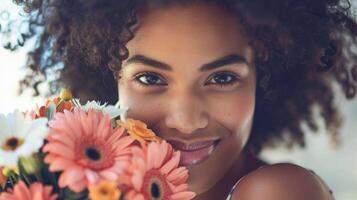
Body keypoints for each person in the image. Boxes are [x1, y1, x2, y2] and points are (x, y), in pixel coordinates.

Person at [6, 0, 357, 199]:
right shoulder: (97, 188)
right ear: (107, 76)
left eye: (222, 78)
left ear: (265, 78)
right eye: (151, 78)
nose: (187, 120)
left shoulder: (277, 192)